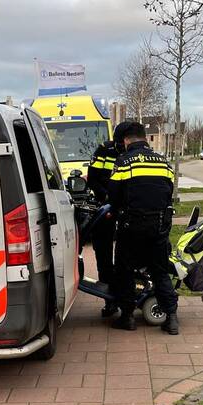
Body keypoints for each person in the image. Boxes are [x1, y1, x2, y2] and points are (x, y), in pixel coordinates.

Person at [106, 122, 179, 335]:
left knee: (124, 270)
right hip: (158, 227)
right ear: (144, 138)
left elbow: (114, 197)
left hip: (131, 227)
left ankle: (127, 317)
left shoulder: (123, 162)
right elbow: (169, 193)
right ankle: (172, 319)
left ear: (126, 140)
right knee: (160, 271)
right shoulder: (163, 162)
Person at [86, 123, 128, 317]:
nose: (123, 146)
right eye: (120, 142)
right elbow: (93, 178)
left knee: (125, 256)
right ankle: (110, 301)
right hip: (105, 209)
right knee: (103, 257)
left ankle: (127, 297)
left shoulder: (135, 153)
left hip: (128, 210)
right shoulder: (104, 150)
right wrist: (106, 198)